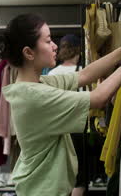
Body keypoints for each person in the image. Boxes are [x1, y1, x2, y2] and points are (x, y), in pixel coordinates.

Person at [0, 14, 121, 196]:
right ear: (29, 53)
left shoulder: (40, 84)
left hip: (43, 186)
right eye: (48, 41)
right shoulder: (35, 96)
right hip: (42, 190)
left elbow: (85, 75)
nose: (55, 46)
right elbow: (98, 98)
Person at [48, 34, 86, 196]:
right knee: (80, 175)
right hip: (78, 127)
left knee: (62, 171)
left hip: (58, 128)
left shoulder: (51, 74)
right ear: (78, 51)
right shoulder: (83, 72)